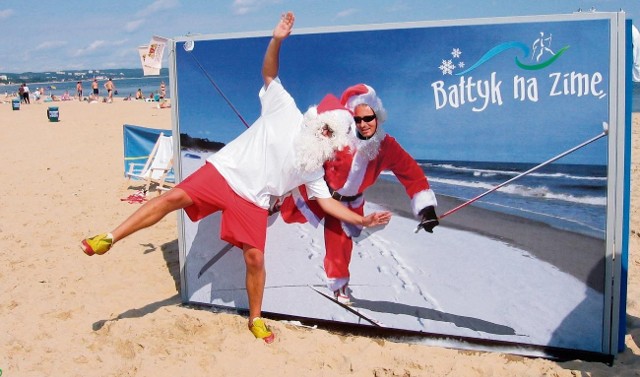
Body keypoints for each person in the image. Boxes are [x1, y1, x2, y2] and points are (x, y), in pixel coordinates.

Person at [80, 11, 391, 343]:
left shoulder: (313, 167)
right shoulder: (286, 110)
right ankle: (110, 237)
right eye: (325, 126)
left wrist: (362, 220)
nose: (324, 133)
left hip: (253, 201)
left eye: (331, 135)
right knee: (171, 198)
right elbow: (269, 73)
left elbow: (327, 203)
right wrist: (276, 40)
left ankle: (255, 318)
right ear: (317, 119)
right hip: (223, 173)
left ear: (335, 144)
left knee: (255, 258)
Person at [278, 83, 439, 304]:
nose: (363, 125)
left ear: (377, 118)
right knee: (288, 213)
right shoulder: (338, 135)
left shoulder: (386, 146)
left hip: (350, 204)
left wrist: (426, 208)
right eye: (358, 119)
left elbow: (410, 171)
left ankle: (338, 285)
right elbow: (308, 153)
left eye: (369, 118)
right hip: (323, 192)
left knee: (340, 245)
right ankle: (277, 202)